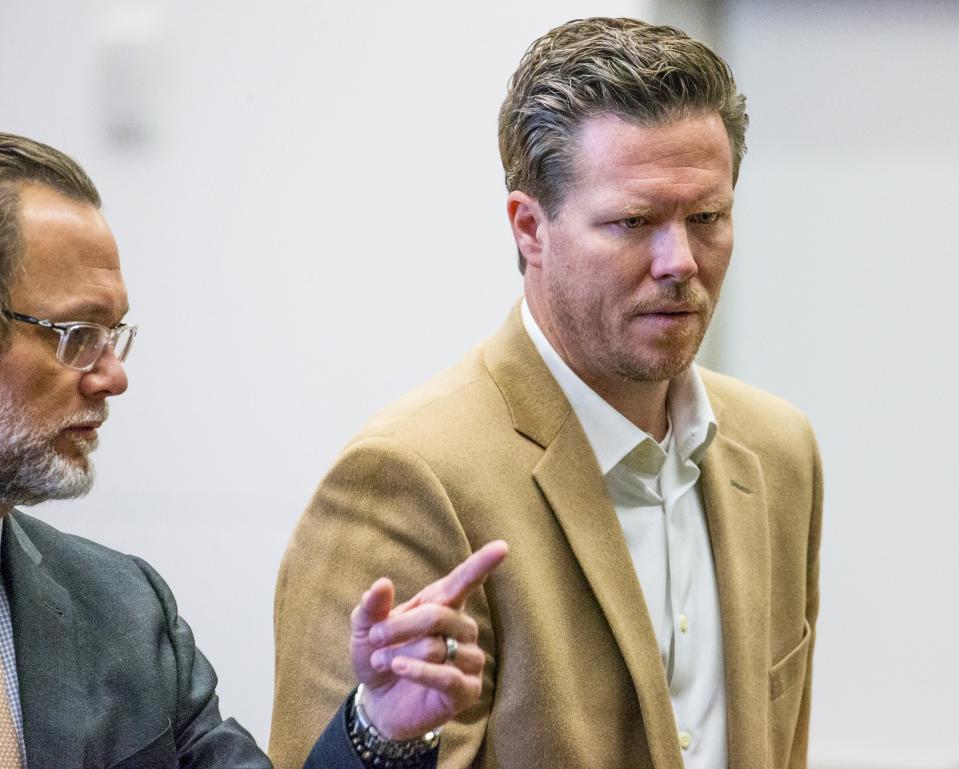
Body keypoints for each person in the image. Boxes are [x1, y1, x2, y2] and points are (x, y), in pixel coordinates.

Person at [270, 16, 822, 769]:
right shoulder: (408, 476)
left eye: (707, 217)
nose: (680, 261)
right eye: (632, 222)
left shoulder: (777, 449)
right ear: (530, 228)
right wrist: (387, 738)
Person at [0, 132, 506, 769]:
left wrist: (380, 726)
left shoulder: (122, 607)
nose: (113, 376)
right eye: (77, 335)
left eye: (114, 335)